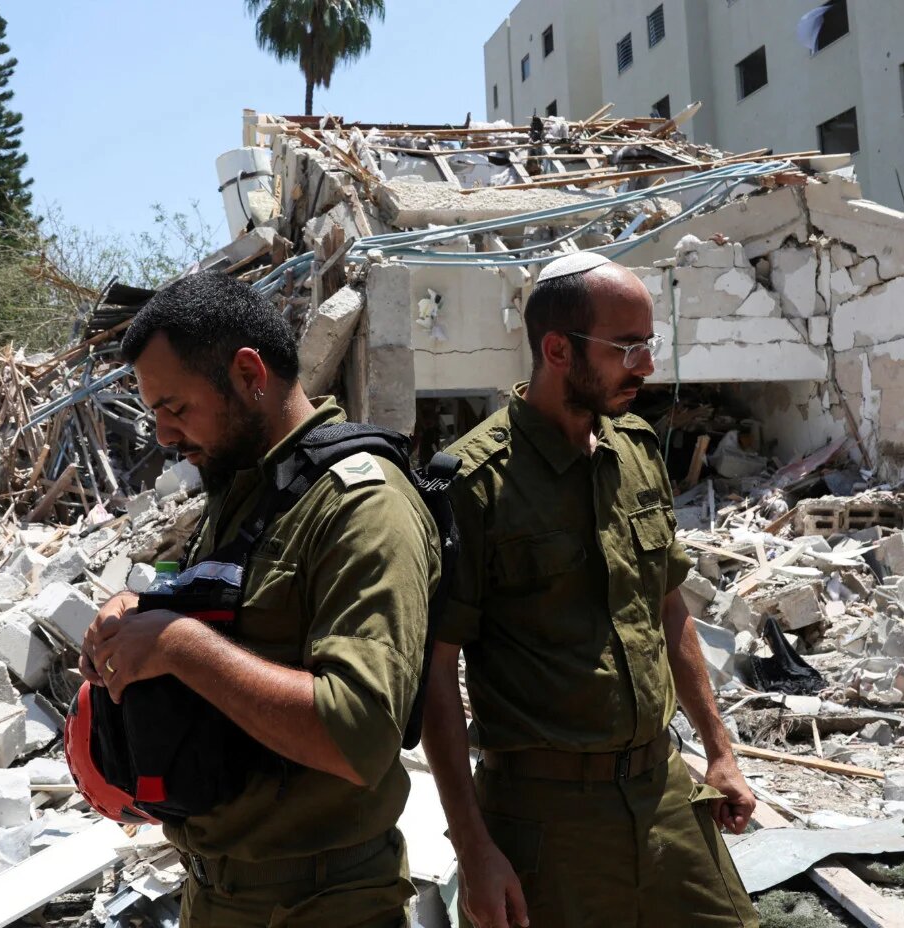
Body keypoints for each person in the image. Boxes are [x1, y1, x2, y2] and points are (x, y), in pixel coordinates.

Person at [80, 271, 438, 927]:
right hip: (221, 896)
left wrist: (180, 647)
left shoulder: (362, 504)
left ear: (249, 374)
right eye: (153, 411)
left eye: (176, 407)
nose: (163, 435)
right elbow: (224, 596)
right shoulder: (253, 487)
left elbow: (357, 735)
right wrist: (140, 605)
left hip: (322, 906)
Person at [422, 252, 761, 928]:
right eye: (627, 348)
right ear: (556, 349)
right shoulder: (473, 481)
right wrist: (474, 846)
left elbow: (669, 614)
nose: (646, 366)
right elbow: (435, 675)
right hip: (543, 821)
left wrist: (720, 753)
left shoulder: (636, 451)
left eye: (648, 345)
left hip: (660, 791)